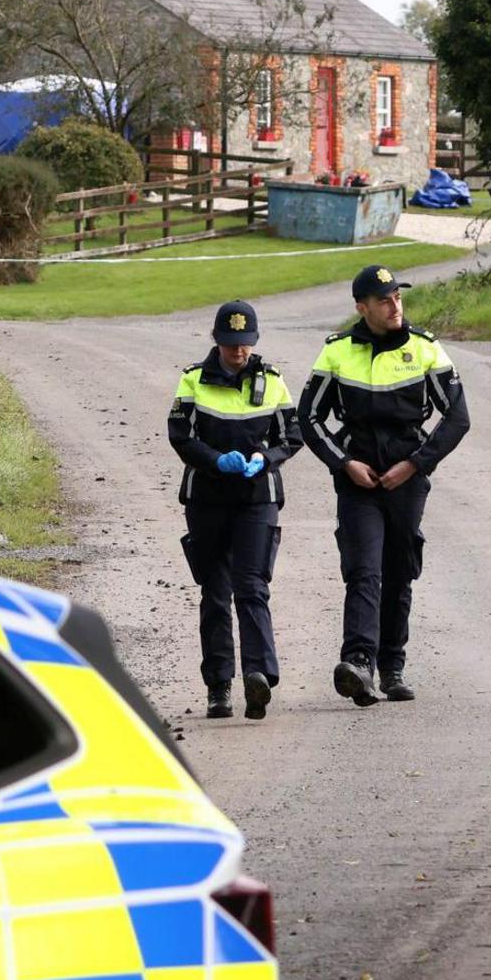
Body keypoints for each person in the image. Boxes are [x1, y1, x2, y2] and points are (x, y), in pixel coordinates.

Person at [296, 265, 472, 707]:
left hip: (406, 479)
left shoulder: (426, 349)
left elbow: (457, 418)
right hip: (357, 479)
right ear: (362, 308)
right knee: (363, 569)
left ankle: (391, 667)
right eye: (384, 300)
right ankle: (357, 662)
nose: (395, 306)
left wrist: (414, 464)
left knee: (398, 570)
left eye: (398, 297)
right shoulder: (336, 352)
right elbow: (308, 418)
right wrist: (344, 463)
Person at [164, 299, 291, 720]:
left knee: (251, 587)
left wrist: (267, 459)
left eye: (246, 344)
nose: (240, 352)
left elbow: (292, 435)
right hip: (207, 499)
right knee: (215, 594)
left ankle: (258, 677)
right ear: (217, 340)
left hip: (257, 498)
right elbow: (180, 435)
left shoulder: (272, 380)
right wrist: (216, 459)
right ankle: (218, 685)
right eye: (232, 344)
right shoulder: (193, 380)